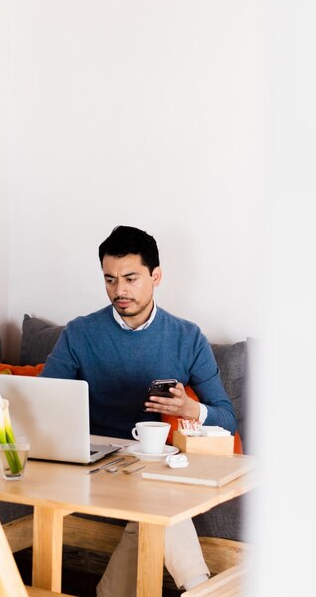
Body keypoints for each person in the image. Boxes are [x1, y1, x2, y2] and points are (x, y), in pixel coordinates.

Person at [41, 225, 237, 596]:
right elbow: (43, 399)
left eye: (130, 278)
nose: (120, 291)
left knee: (157, 502)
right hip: (95, 461)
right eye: (110, 280)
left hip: (155, 464)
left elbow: (227, 416)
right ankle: (202, 588)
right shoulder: (80, 333)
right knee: (162, 500)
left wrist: (192, 409)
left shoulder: (187, 336)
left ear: (156, 276)